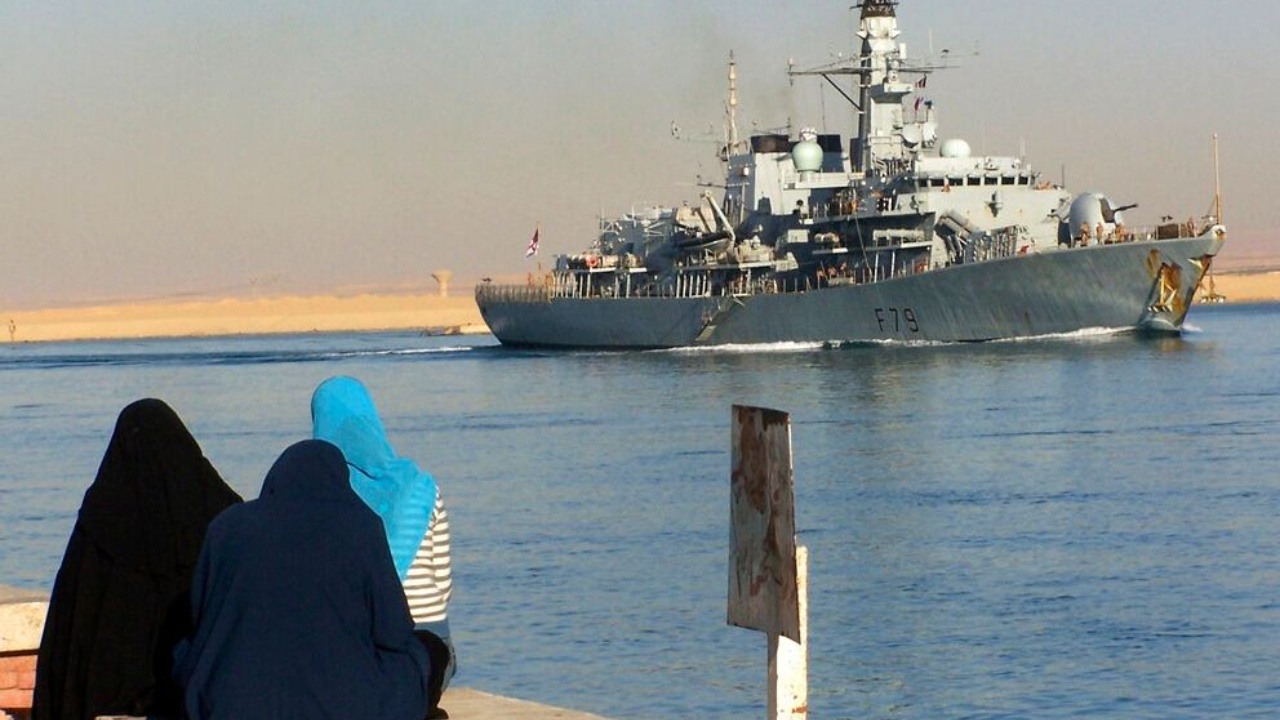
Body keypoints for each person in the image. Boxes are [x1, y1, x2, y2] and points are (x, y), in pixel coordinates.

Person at [172, 440, 430, 720]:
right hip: (343, 704)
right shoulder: (361, 525)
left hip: (232, 703)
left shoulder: (227, 525)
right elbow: (393, 632)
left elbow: (202, 619)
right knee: (423, 651)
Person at [33, 399, 243, 720]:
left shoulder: (102, 521)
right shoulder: (220, 517)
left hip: (105, 697)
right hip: (200, 695)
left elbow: (71, 631)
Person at [311, 376, 455, 719]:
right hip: (431, 649)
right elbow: (443, 584)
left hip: (353, 657)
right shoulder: (421, 486)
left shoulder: (320, 494)